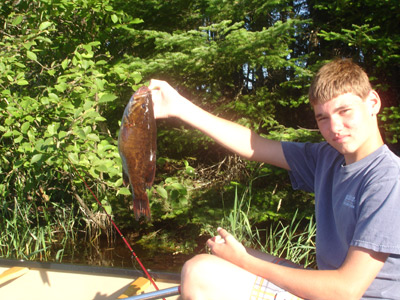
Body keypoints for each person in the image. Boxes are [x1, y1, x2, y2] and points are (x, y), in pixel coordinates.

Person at [148, 59, 400, 299]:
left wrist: (244, 261)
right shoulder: (328, 157)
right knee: (223, 256)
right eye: (322, 117)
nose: (334, 128)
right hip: (331, 287)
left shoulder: (388, 179)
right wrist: (179, 107)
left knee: (200, 272)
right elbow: (255, 145)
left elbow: (346, 291)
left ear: (373, 103)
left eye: (345, 111)